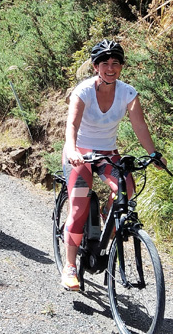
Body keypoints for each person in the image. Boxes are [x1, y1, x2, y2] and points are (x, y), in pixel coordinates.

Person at [61, 39, 166, 291]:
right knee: (79, 207)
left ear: (121, 66)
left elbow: (140, 125)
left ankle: (105, 225)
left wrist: (153, 154)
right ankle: (70, 266)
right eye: (105, 63)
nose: (110, 68)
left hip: (108, 153)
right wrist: (73, 150)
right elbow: (72, 126)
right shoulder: (83, 91)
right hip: (80, 153)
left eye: (115, 63)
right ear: (96, 66)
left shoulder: (128, 93)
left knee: (126, 190)